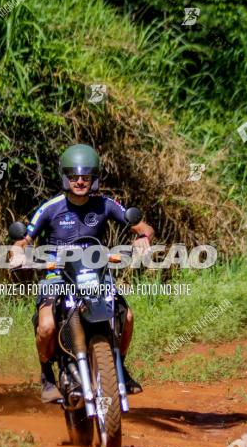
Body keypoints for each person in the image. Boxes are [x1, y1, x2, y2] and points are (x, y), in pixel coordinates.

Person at [11, 144, 154, 403]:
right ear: (65, 178)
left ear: (94, 179)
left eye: (85, 177)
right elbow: (24, 239)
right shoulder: (51, 208)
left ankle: (119, 366)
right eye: (74, 176)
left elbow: (143, 227)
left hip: (95, 274)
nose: (79, 181)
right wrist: (18, 252)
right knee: (46, 327)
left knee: (128, 316)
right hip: (58, 276)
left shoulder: (105, 205)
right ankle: (46, 376)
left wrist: (143, 239)